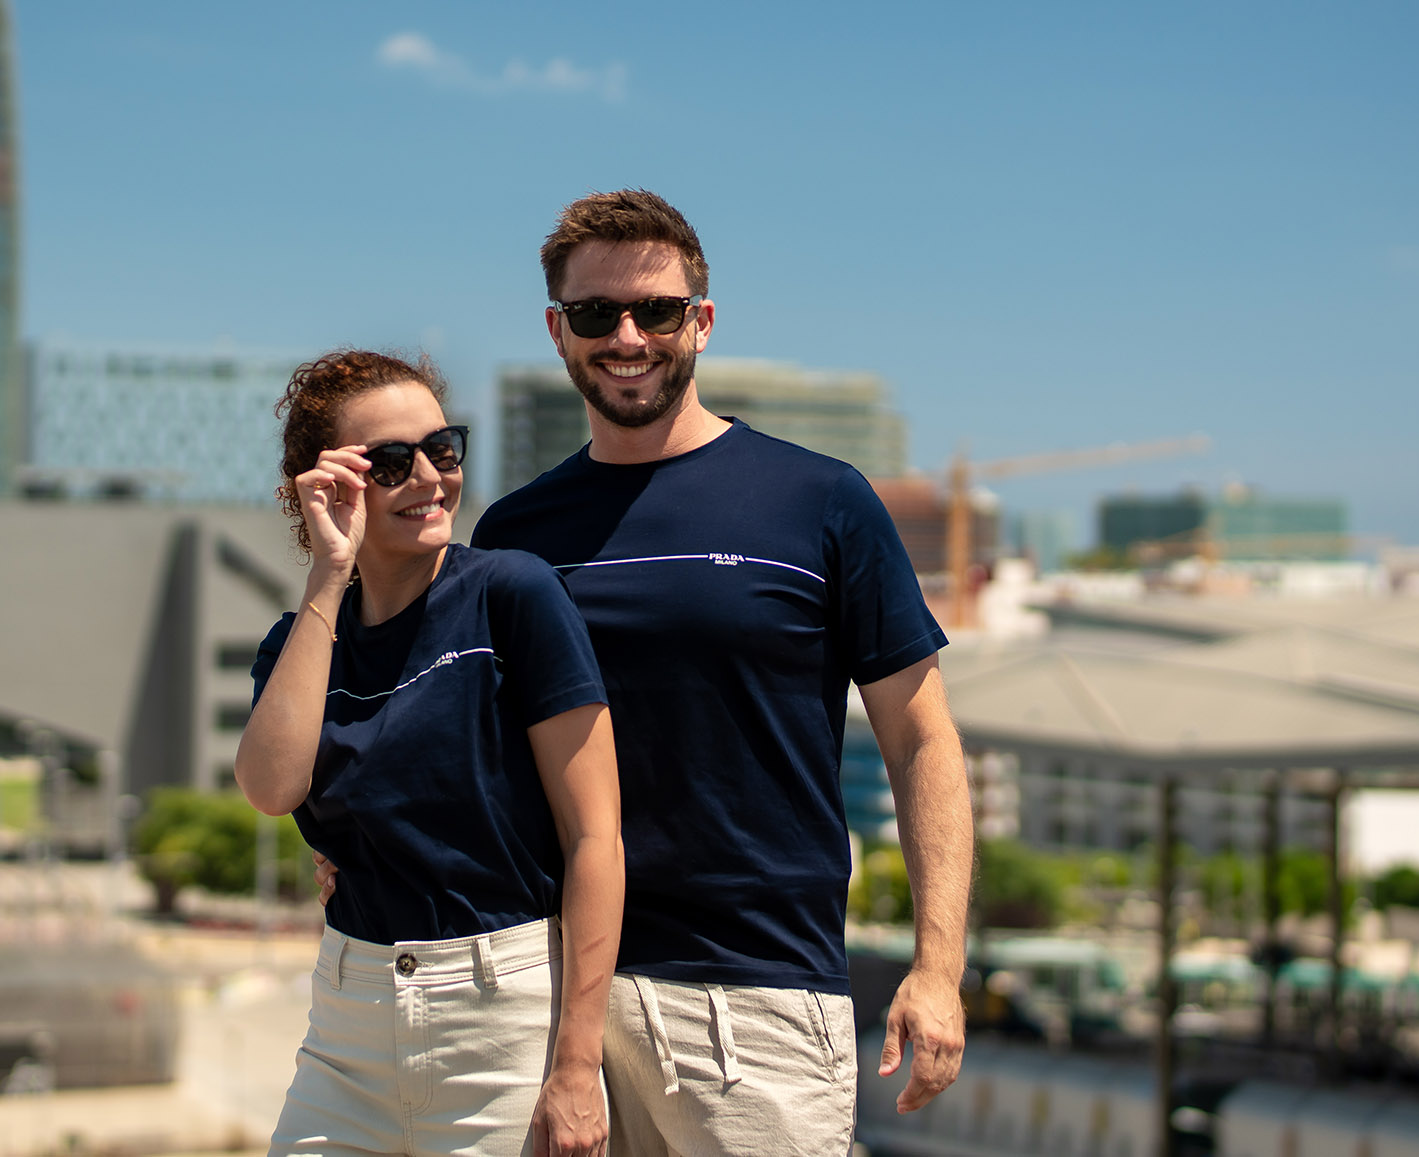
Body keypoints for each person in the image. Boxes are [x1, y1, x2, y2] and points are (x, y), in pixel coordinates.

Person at [468, 190, 974, 1155]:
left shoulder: (819, 499)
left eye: (655, 310)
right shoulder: (514, 532)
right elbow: (484, 759)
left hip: (759, 998)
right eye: (593, 314)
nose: (627, 336)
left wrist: (938, 965)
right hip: (553, 995)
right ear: (557, 332)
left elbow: (922, 737)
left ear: (701, 321)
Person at [237, 350, 625, 1157]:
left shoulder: (510, 594)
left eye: (442, 450)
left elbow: (596, 836)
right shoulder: (301, 642)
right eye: (389, 461)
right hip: (348, 1018)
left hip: (501, 1018)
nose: (427, 476)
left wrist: (578, 1063)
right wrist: (329, 571)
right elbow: (272, 786)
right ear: (327, 484)